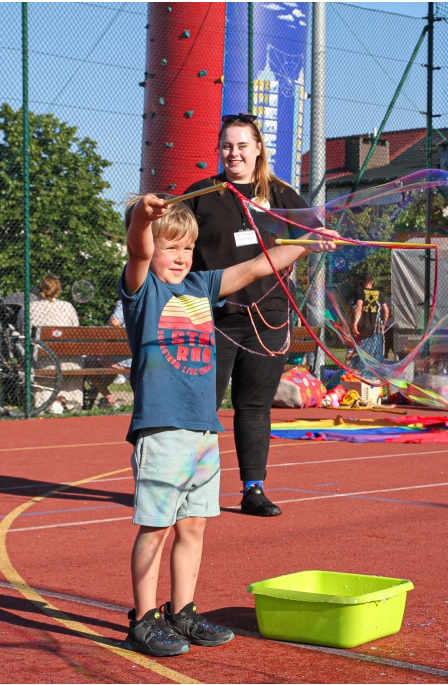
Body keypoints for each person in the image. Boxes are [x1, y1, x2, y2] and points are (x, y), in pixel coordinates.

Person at [117, 193, 335, 656]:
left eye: (187, 248)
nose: (180, 257)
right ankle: (143, 618)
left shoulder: (200, 285)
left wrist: (307, 244)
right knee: (156, 527)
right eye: (169, 246)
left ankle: (183, 610)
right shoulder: (144, 292)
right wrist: (142, 218)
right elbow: (137, 248)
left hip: (201, 430)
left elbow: (256, 267)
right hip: (162, 429)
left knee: (193, 526)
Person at [180, 112, 311, 517]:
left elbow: (313, 235)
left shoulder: (282, 194)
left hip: (268, 317)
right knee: (202, 405)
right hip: (212, 316)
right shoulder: (201, 194)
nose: (233, 153)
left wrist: (318, 242)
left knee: (254, 406)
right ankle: (189, 487)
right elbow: (172, 243)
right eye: (226, 146)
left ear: (258, 149)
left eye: (241, 145)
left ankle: (253, 489)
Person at [18, 274, 82, 412]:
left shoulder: (28, 307)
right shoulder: (67, 307)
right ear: (57, 291)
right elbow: (76, 332)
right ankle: (64, 400)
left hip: (40, 360)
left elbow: (21, 330)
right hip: (69, 360)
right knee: (73, 362)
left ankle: (47, 402)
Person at [351, 272, 389, 365]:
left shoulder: (360, 292)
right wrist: (384, 323)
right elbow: (386, 310)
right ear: (373, 281)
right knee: (374, 349)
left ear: (363, 282)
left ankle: (363, 368)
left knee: (362, 349)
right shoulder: (380, 293)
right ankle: (373, 369)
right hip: (376, 326)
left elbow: (359, 307)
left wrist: (355, 324)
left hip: (363, 325)